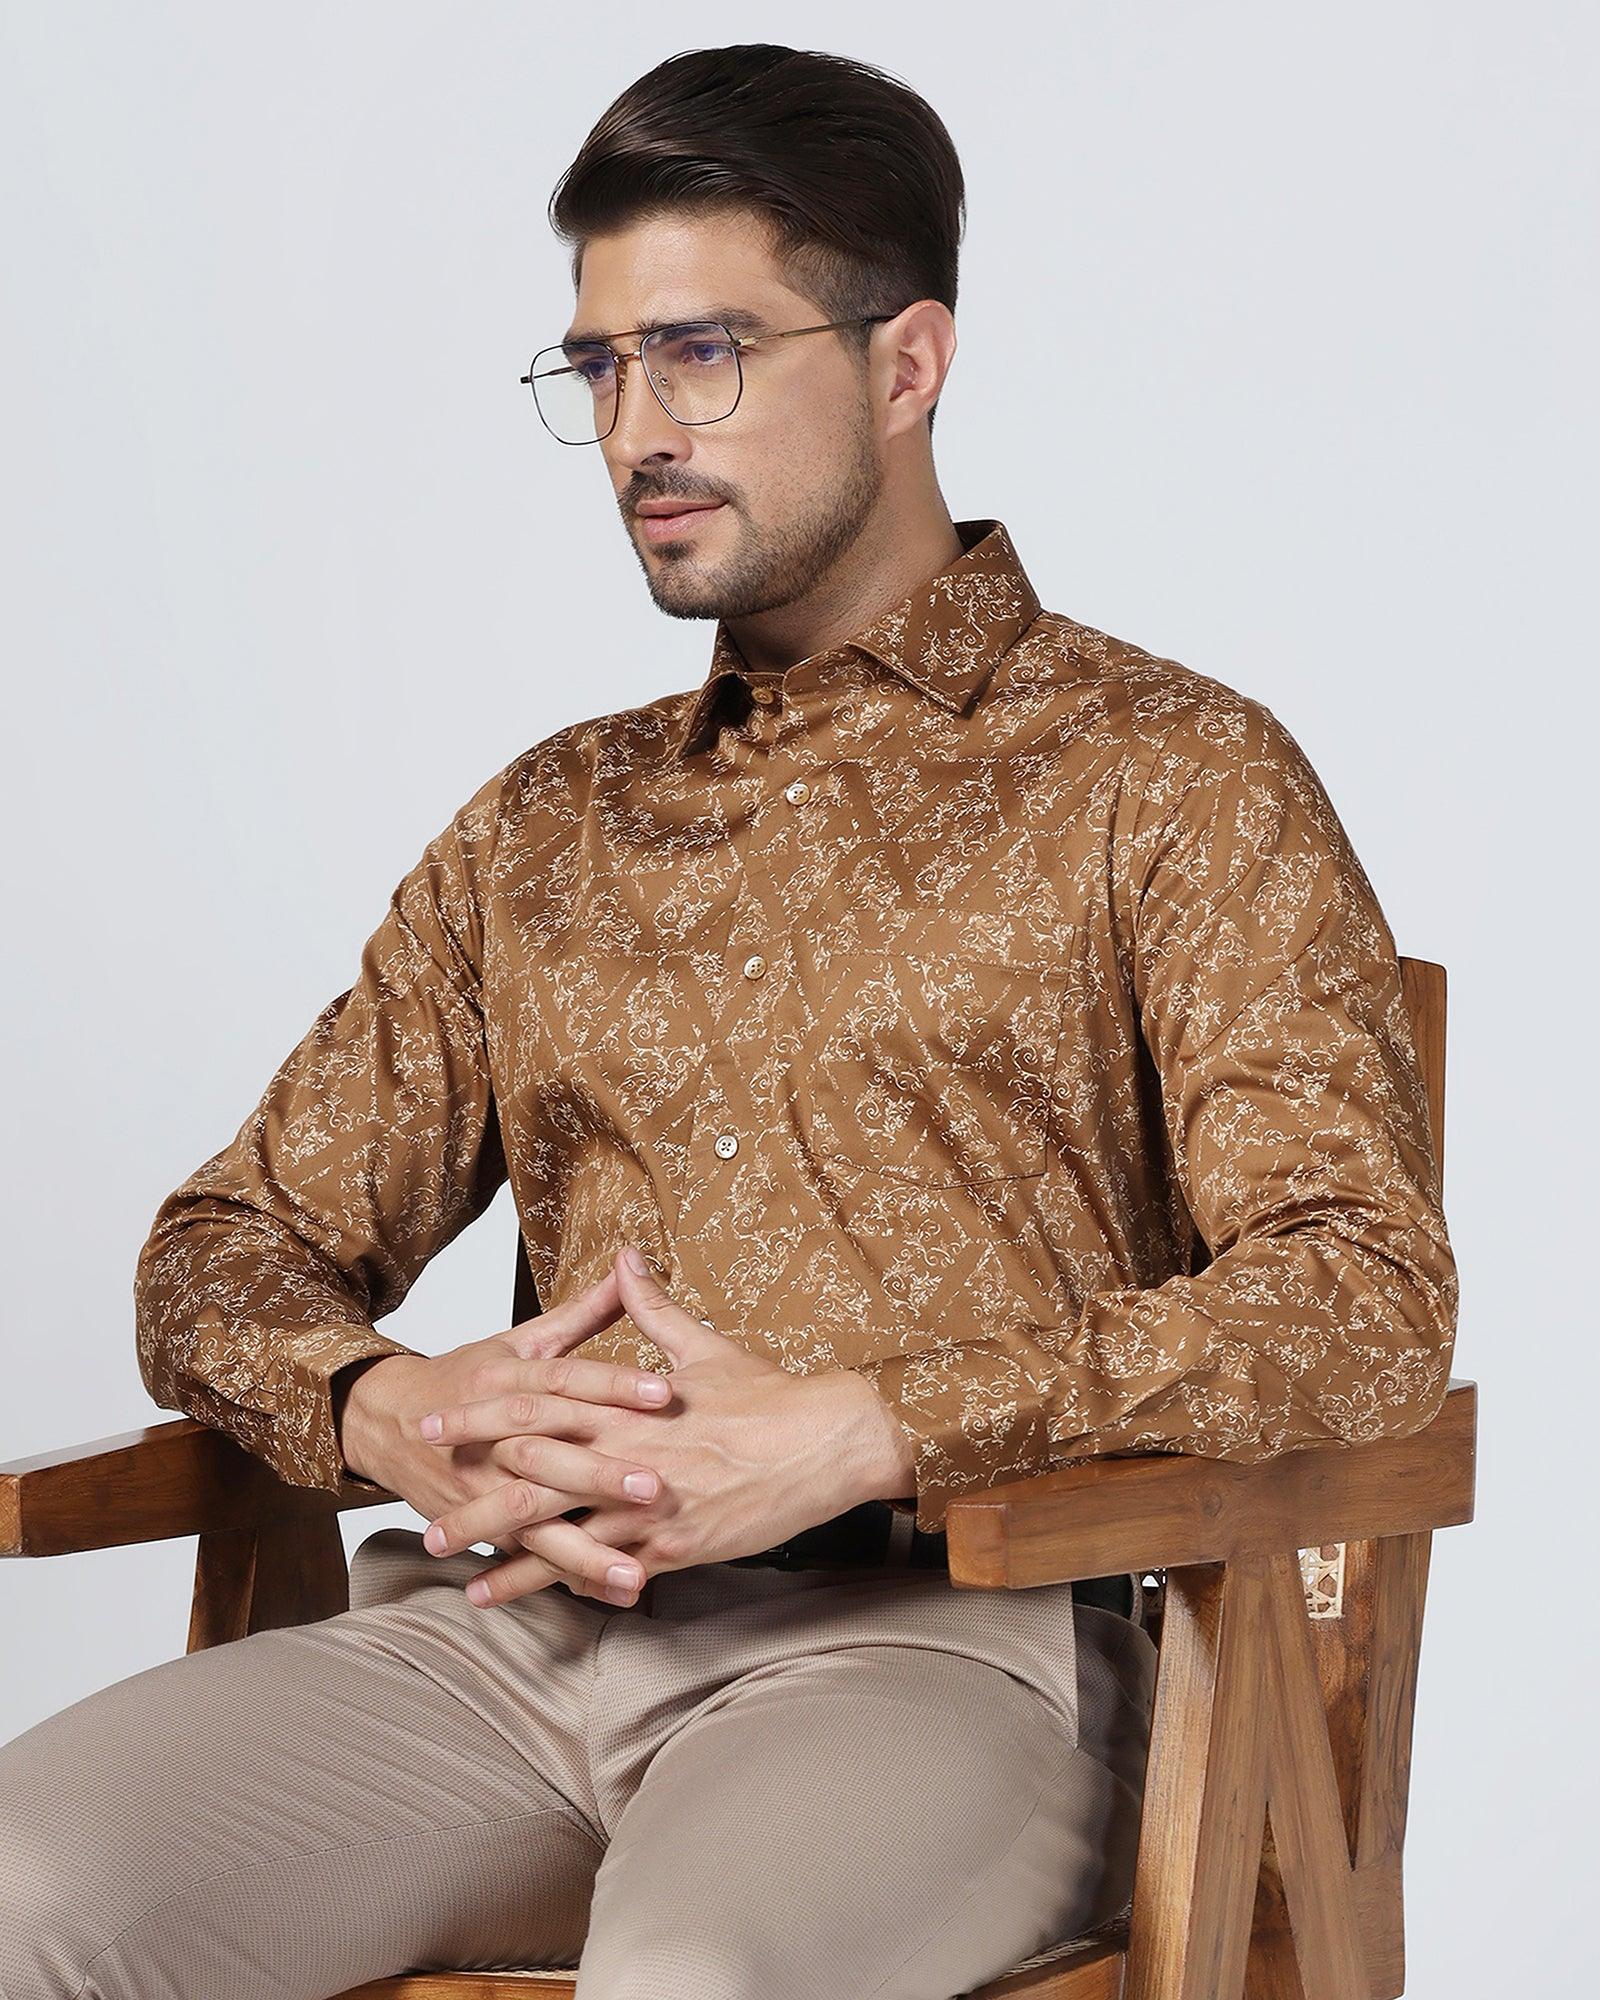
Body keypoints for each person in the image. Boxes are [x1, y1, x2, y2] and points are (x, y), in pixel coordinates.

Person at [0, 41, 1457, 2000]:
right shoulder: (546, 826)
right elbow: (220, 1252)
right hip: (503, 1644)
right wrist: (379, 1405)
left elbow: (1361, 1293)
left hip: (945, 1652)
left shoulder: (1173, 780)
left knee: (696, 1979)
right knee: (19, 1886)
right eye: (598, 368)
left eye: (700, 356)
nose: (634, 432)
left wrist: (867, 1429)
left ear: (905, 364)